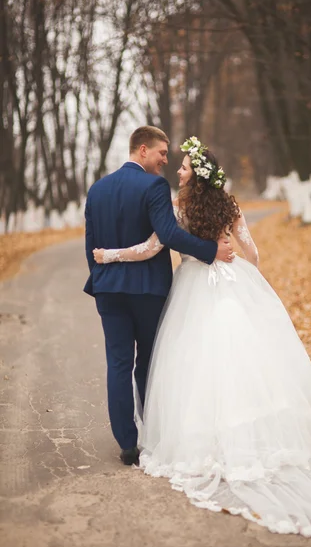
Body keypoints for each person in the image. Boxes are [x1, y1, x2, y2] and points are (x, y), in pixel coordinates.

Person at [93, 136, 311, 538]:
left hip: (192, 285)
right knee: (243, 356)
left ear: (196, 173)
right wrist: (235, 263)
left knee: (194, 359)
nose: (178, 169)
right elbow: (252, 254)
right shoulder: (230, 205)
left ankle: (191, 437)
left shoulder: (177, 206)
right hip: (230, 279)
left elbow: (153, 247)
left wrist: (109, 255)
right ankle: (255, 433)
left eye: (184, 165)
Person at [84, 127, 234, 466]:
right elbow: (166, 235)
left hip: (108, 289)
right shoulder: (153, 186)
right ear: (141, 150)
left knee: (118, 364)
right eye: (161, 153)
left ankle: (127, 442)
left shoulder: (97, 190)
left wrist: (100, 279)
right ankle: (151, 431)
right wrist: (210, 250)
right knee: (149, 361)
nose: (165, 160)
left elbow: (90, 245)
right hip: (148, 290)